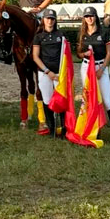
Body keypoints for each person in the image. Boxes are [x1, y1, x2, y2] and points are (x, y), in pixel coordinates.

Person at [76, 6, 110, 145]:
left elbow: (109, 53)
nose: (89, 18)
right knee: (90, 100)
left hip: (100, 67)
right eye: (87, 16)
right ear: (84, 18)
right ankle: (93, 130)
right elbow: (78, 52)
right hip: (86, 67)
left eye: (92, 15)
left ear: (96, 17)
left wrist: (102, 69)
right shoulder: (82, 33)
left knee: (107, 101)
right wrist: (85, 54)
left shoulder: (104, 32)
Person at [32, 9, 67, 138]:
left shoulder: (61, 35)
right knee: (47, 100)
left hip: (59, 73)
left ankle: (64, 128)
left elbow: (66, 53)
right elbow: (35, 56)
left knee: (62, 100)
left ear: (55, 20)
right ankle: (51, 128)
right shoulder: (39, 36)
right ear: (43, 20)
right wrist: (47, 71)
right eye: (48, 18)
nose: (50, 21)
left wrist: (61, 71)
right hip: (45, 73)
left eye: (52, 18)